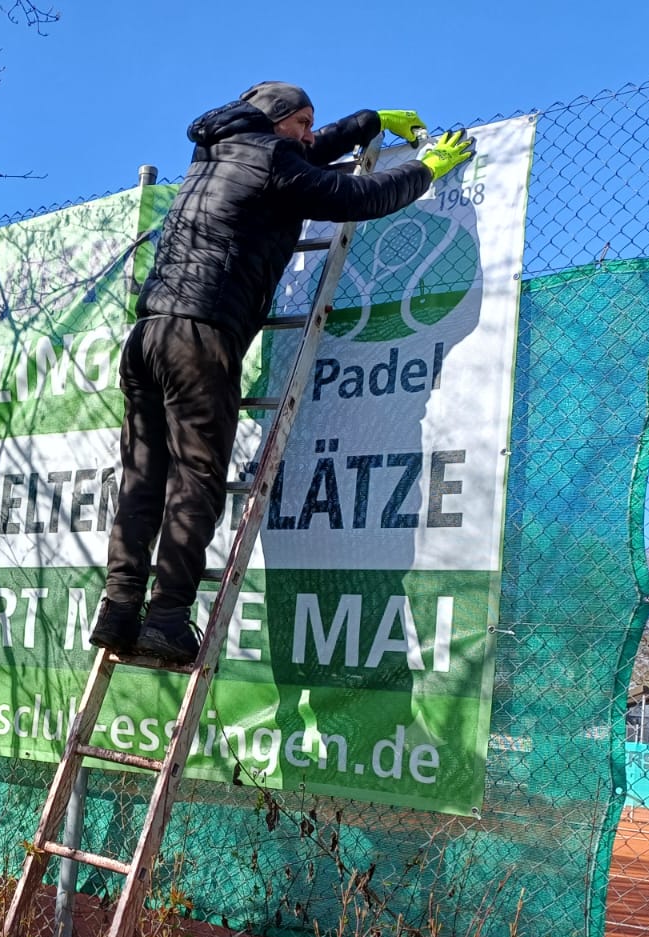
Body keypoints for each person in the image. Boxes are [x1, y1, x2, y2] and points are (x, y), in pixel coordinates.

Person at [90, 82, 475, 664]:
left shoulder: (214, 154)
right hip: (203, 332)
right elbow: (351, 195)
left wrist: (366, 122)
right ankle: (166, 618)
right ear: (277, 122)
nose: (312, 135)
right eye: (303, 123)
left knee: (143, 478)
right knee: (196, 479)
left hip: (148, 333)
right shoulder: (273, 159)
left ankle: (119, 609)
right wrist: (425, 170)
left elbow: (303, 158)